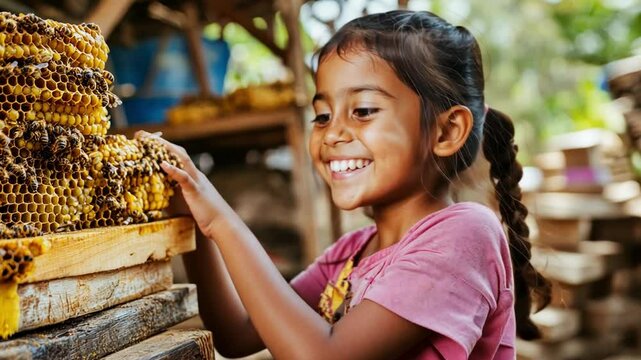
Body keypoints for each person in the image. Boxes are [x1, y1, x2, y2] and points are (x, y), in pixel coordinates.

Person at [139, 10, 550, 360]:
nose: (332, 133)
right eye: (322, 116)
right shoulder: (349, 255)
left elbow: (324, 355)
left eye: (363, 110)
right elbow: (238, 333)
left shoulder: (465, 234)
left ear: (446, 131)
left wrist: (222, 221)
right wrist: (194, 222)